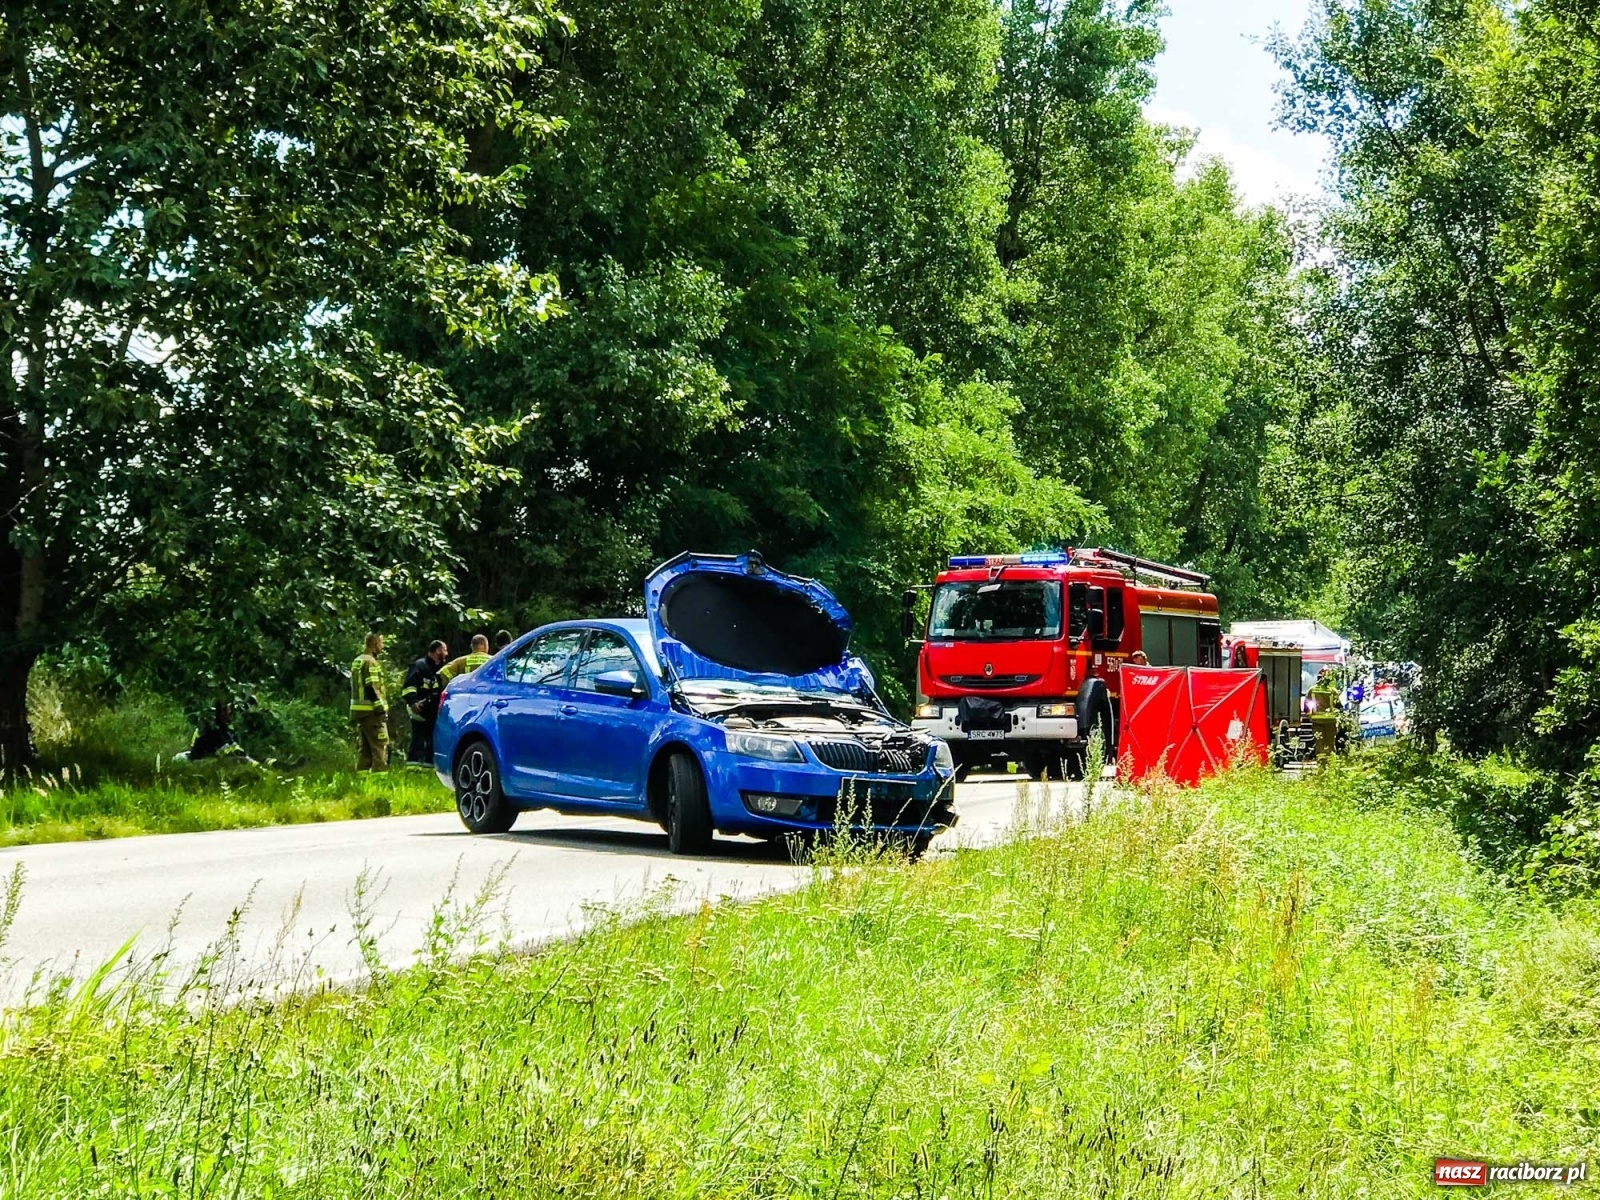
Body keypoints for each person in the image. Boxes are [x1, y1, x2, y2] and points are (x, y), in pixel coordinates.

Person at [400, 640, 449, 767]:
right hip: (419, 710)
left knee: (432, 742)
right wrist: (413, 702)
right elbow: (408, 686)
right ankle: (413, 766)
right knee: (418, 740)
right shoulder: (419, 665)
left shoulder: (441, 669)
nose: (446, 653)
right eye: (444, 650)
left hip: (434, 712)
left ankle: (429, 767)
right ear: (437, 650)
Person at [350, 632, 389, 771]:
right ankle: (380, 780)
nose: (382, 646)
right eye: (381, 643)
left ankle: (362, 778)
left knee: (365, 748)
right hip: (371, 712)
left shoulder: (358, 660)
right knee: (380, 744)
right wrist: (380, 708)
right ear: (375, 643)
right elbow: (371, 687)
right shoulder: (370, 662)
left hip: (359, 712)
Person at [174, 700, 258, 765]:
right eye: (225, 710)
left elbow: (235, 749)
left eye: (230, 710)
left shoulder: (226, 729)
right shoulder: (213, 728)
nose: (229, 713)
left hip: (211, 759)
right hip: (201, 761)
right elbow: (226, 752)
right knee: (242, 761)